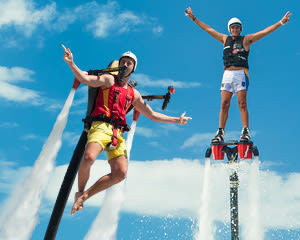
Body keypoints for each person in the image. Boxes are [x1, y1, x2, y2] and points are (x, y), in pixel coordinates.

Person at [62, 45, 192, 215]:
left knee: (120, 173)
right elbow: (86, 80)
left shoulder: (134, 94)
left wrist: (177, 120)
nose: (125, 64)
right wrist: (71, 63)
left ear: (133, 68)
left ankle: (85, 196)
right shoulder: (108, 79)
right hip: (101, 126)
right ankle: (80, 190)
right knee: (88, 157)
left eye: (129, 63)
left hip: (118, 133)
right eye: (123, 61)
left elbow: (152, 115)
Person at [185, 7, 292, 143]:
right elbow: (208, 30)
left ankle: (246, 130)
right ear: (229, 29)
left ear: (240, 29)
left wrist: (281, 22)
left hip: (241, 74)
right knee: (224, 104)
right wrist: (194, 19)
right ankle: (220, 132)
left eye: (237, 28)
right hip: (227, 75)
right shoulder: (224, 39)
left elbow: (264, 32)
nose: (235, 30)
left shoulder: (246, 40)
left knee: (242, 103)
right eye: (233, 28)